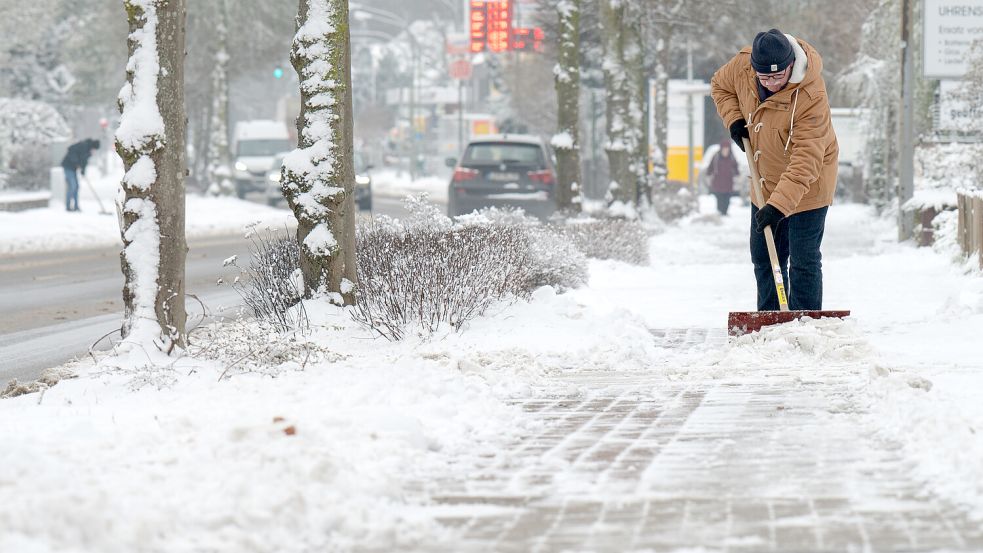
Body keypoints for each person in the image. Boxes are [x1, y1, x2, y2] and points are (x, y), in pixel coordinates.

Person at [710, 28, 838, 311]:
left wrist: (779, 207)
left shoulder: (810, 95)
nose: (772, 83)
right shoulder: (742, 67)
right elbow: (720, 85)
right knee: (765, 256)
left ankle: (805, 323)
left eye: (778, 75)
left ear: (791, 63)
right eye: (764, 77)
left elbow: (806, 160)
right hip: (764, 180)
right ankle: (769, 320)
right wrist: (734, 120)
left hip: (809, 184)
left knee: (803, 259)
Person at [61, 138, 100, 212]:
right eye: (94, 149)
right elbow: (71, 150)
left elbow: (84, 162)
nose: (94, 151)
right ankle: (68, 206)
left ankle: (76, 206)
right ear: (93, 147)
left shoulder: (88, 151)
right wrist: (76, 162)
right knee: (73, 186)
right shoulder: (83, 145)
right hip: (68, 166)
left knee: (76, 187)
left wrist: (83, 171)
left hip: (73, 169)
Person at [705, 138, 739, 216]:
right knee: (719, 197)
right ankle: (720, 212)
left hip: (728, 182)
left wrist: (737, 176)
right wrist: (708, 175)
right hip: (718, 182)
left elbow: (736, 167)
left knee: (727, 198)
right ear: (721, 149)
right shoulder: (716, 157)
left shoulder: (732, 157)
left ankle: (725, 212)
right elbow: (710, 167)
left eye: (727, 149)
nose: (725, 150)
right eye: (724, 149)